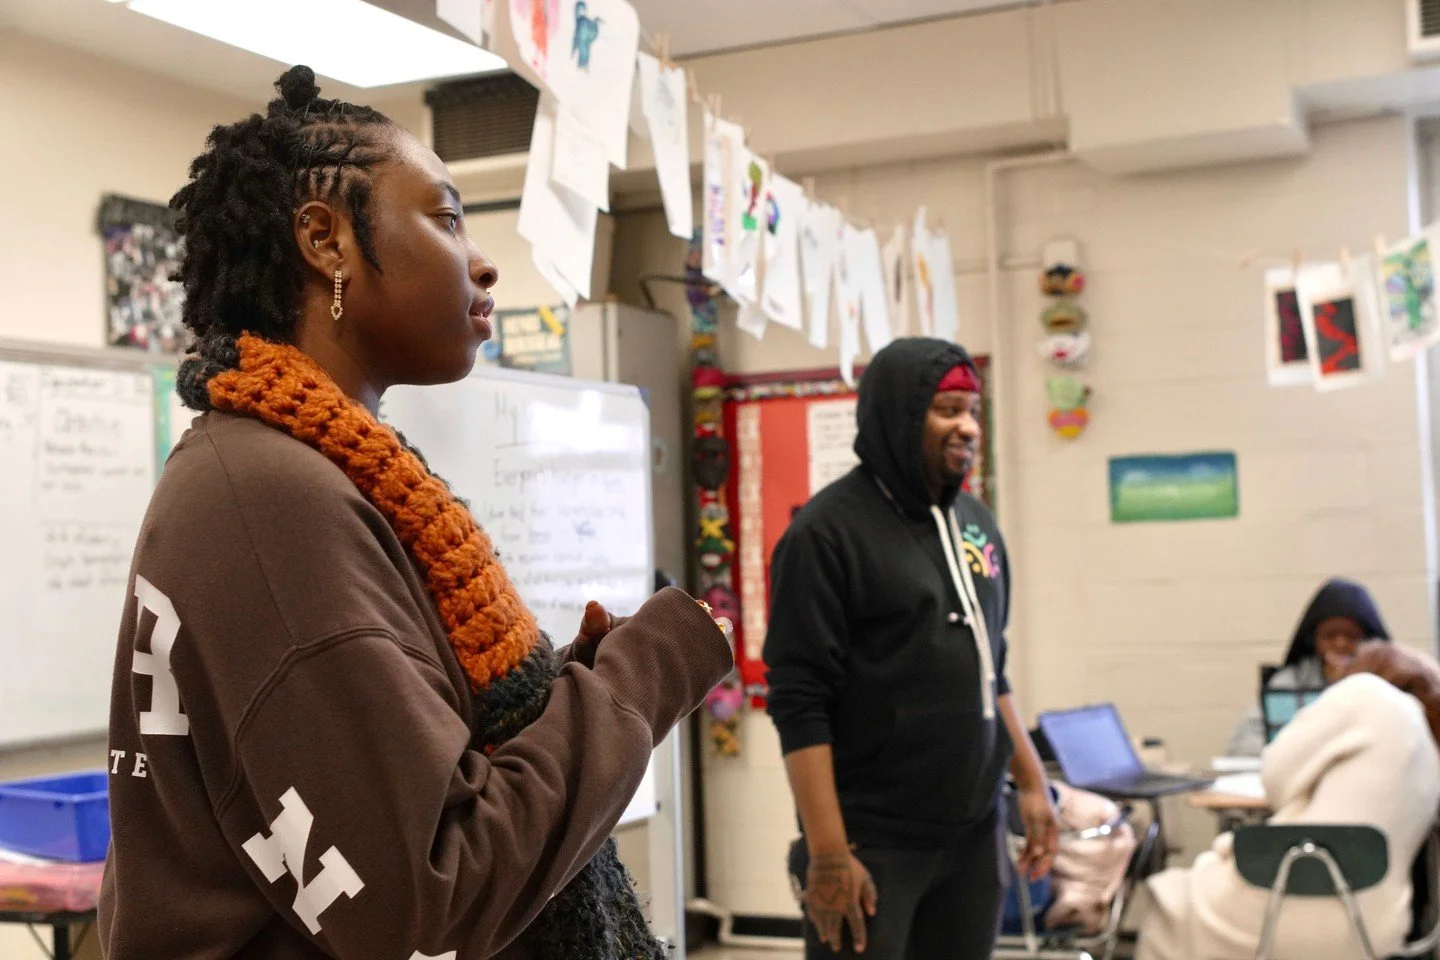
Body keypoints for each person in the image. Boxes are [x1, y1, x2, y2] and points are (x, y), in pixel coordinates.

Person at [99, 66, 733, 960]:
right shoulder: (269, 497)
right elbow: (431, 894)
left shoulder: (299, 470)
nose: (482, 261)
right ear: (325, 240)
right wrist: (641, 676)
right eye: (444, 218)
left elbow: (417, 777)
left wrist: (576, 683)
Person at [765, 337, 1058, 959]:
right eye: (947, 409)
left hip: (974, 835)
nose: (967, 427)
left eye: (973, 411)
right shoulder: (824, 535)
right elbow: (798, 701)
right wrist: (827, 853)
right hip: (871, 842)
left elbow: (989, 666)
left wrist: (1031, 783)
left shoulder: (975, 522)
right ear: (900, 414)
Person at [1138, 673, 1440, 960]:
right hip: (1376, 929)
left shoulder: (1364, 692)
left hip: (1291, 913)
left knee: (1168, 900)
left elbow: (1276, 775)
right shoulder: (1427, 744)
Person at [1227, 578, 1390, 757]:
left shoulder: (1388, 680)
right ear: (1314, 641)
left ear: (1370, 641)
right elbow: (1242, 746)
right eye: (1329, 636)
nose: (1340, 643)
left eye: (1351, 636)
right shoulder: (1291, 681)